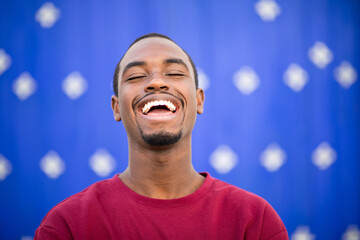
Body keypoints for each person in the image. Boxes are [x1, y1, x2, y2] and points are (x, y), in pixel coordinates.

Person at [35, 33, 288, 239]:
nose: (156, 82)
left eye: (175, 73)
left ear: (199, 100)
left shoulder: (255, 221)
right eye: (135, 76)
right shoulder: (66, 226)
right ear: (116, 108)